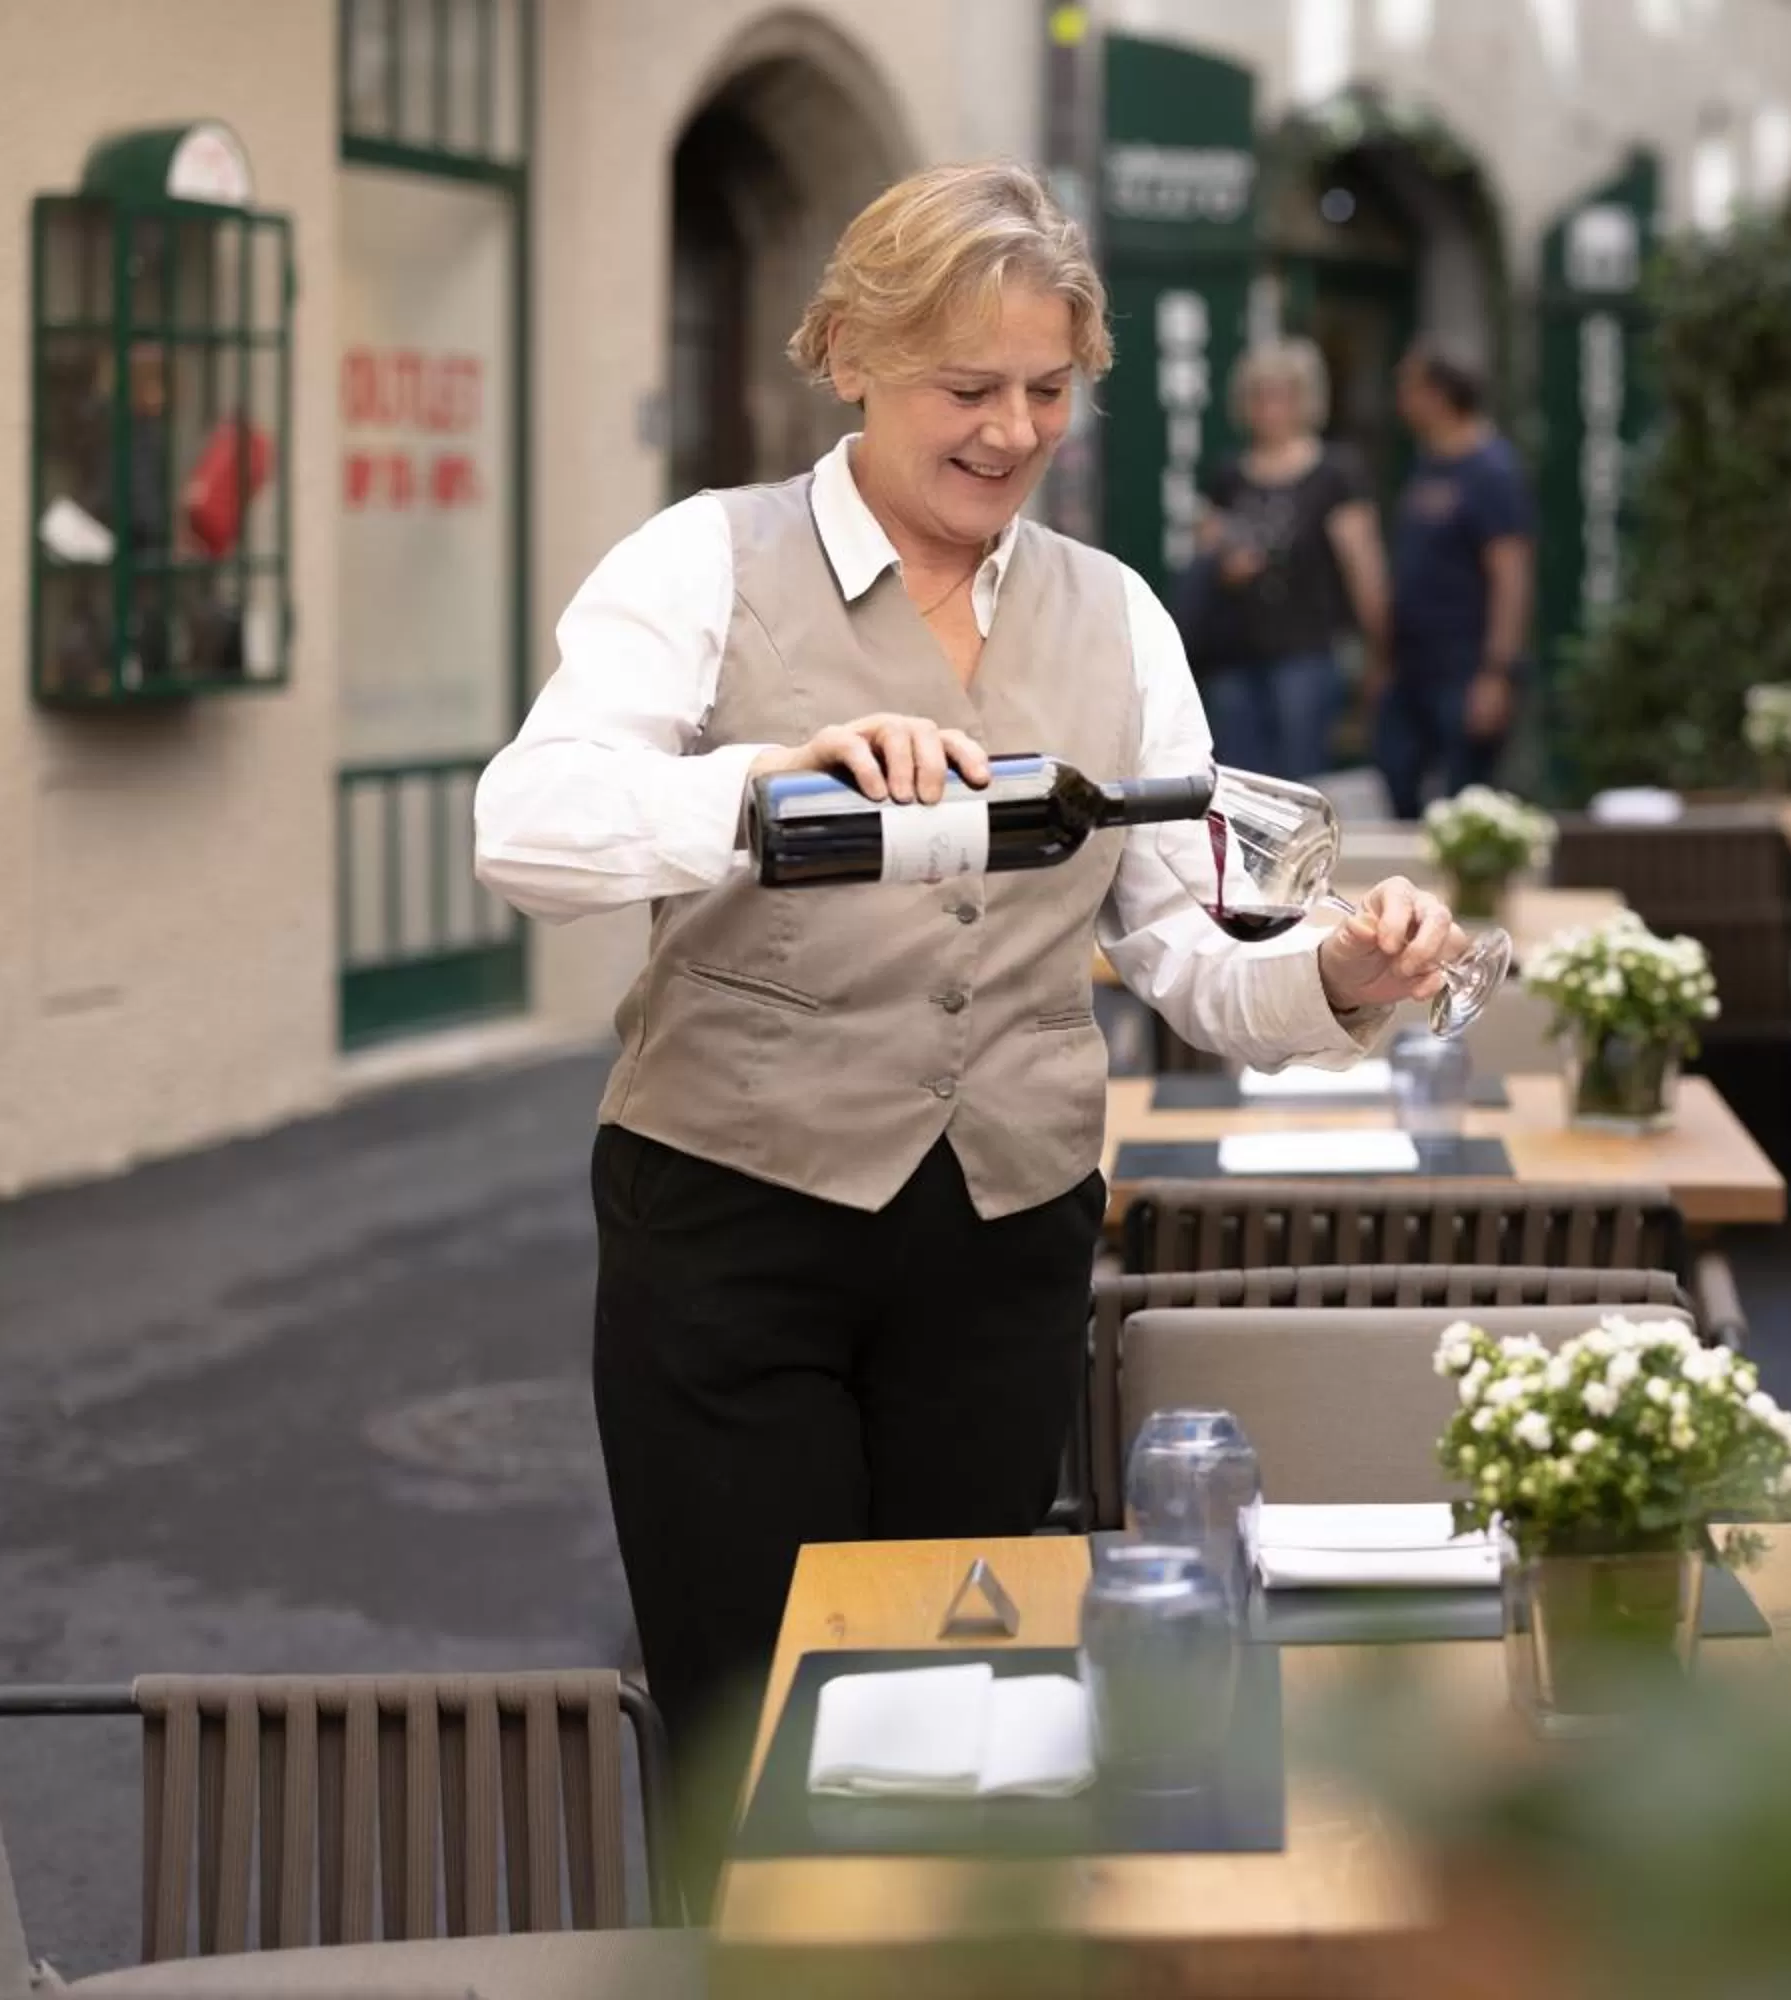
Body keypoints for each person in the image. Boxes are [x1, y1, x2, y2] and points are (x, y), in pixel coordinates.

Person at [470, 162, 1466, 1901]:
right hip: (734, 1224)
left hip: (1005, 1237)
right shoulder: (704, 562)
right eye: (968, 388)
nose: (1011, 432)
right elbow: (528, 831)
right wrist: (758, 781)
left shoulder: (1119, 614)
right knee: (752, 1731)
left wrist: (1340, 980)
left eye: (1046, 392)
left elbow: (1184, 945)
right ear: (850, 352)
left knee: (962, 1722)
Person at [1190, 337, 1389, 780]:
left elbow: (1364, 566)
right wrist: (1225, 566)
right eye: (1259, 396)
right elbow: (1204, 556)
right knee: (1238, 782)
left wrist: (1379, 650)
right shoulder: (1228, 475)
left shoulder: (1335, 473)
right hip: (1235, 653)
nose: (1270, 409)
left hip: (1307, 650)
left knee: (1300, 778)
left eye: (1282, 395)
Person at [1375, 338, 1534, 817]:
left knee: (1463, 800)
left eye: (1409, 387)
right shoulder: (1426, 463)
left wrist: (1496, 672)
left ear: (1438, 395)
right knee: (1396, 778)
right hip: (1413, 664)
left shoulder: (1491, 470)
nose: (1400, 399)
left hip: (1464, 665)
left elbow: (1511, 574)